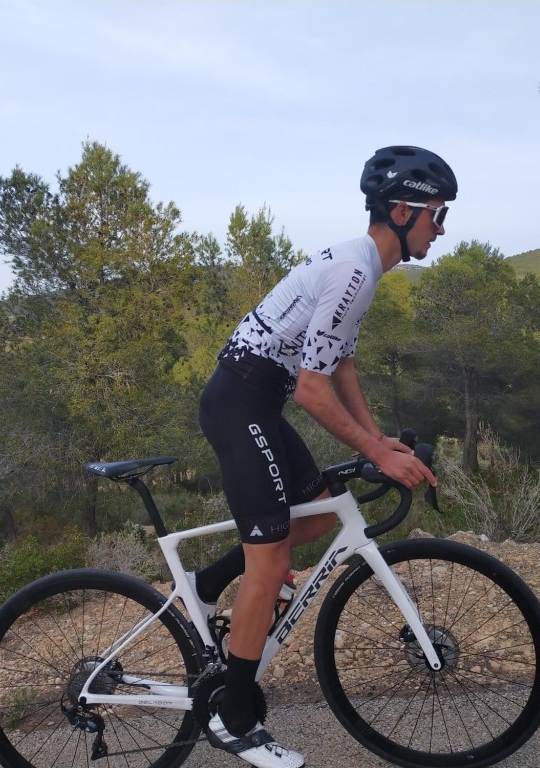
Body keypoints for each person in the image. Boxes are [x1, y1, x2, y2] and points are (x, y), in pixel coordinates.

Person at [193, 145, 456, 768]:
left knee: (315, 515)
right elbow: (311, 389)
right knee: (270, 562)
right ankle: (234, 720)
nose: (441, 230)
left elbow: (340, 364)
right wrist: (375, 453)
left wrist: (378, 438)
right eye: (437, 216)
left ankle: (206, 586)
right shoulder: (356, 271)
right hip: (240, 402)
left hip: (258, 401)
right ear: (402, 211)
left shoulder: (363, 266)